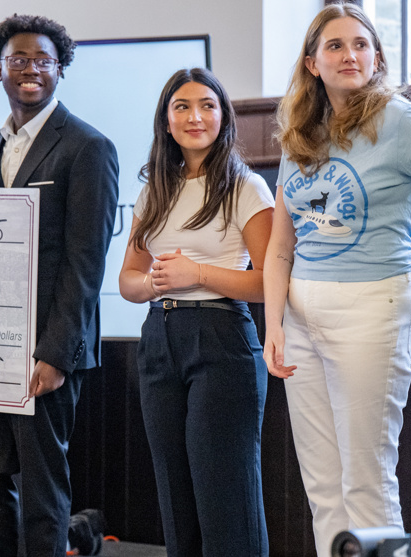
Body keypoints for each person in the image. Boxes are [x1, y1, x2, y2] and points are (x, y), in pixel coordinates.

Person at [262, 5, 411, 556]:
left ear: (377, 57)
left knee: (367, 484)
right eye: (337, 46)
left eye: (362, 44)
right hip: (298, 316)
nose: (351, 55)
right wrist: (273, 323)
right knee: (322, 488)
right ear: (313, 63)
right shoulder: (301, 134)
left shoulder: (400, 120)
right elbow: (279, 246)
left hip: (370, 310)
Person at [0, 14, 118, 557]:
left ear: (60, 70)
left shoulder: (88, 147)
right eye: (18, 60)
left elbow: (86, 263)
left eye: (43, 61)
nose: (31, 70)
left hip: (47, 351)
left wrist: (56, 353)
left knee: (43, 489)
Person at [118, 68, 273, 556]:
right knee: (175, 496)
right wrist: (152, 283)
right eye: (181, 106)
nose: (194, 116)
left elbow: (269, 283)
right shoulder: (155, 190)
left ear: (223, 116)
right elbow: (127, 279)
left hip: (221, 337)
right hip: (159, 340)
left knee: (225, 495)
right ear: (166, 122)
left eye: (207, 104)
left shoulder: (246, 188)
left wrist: (197, 274)